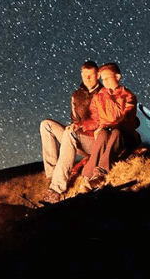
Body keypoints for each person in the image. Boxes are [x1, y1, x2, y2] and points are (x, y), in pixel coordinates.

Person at [40, 61, 102, 204]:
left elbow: (102, 121)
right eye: (84, 76)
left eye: (91, 76)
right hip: (78, 138)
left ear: (98, 75)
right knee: (46, 125)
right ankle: (53, 175)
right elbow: (75, 119)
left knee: (70, 133)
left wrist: (79, 127)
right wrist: (74, 126)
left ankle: (56, 189)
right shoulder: (76, 95)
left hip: (94, 141)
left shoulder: (103, 93)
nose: (87, 79)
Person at [78, 62, 139, 190]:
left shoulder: (128, 96)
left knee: (115, 131)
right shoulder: (99, 97)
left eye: (107, 78)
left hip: (124, 135)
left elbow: (126, 118)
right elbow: (95, 119)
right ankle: (88, 175)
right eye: (102, 79)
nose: (103, 82)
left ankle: (101, 174)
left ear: (117, 77)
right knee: (102, 133)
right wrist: (80, 125)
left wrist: (108, 125)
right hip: (108, 133)